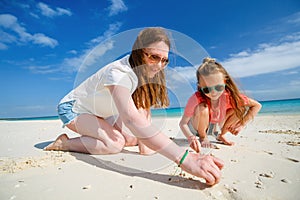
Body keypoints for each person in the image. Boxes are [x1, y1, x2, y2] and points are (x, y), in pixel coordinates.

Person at [45, 27, 224, 185]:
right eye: (154, 57)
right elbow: (131, 119)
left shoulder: (142, 74)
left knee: (132, 138)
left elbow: (142, 107)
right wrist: (184, 158)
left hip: (100, 114)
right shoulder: (119, 73)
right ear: (139, 52)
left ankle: (98, 134)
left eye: (164, 60)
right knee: (114, 143)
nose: (160, 65)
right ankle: (64, 143)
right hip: (74, 110)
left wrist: (145, 145)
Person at [179, 57, 262, 152]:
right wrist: (191, 138)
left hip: (213, 127)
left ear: (225, 82)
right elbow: (183, 123)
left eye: (218, 87)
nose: (213, 93)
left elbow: (257, 105)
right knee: (203, 108)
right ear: (199, 86)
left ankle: (221, 135)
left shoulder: (229, 97)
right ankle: (203, 137)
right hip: (195, 127)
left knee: (238, 109)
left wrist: (241, 125)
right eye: (207, 89)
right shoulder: (196, 98)